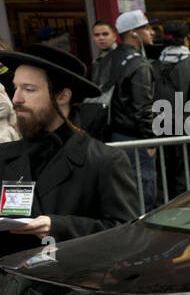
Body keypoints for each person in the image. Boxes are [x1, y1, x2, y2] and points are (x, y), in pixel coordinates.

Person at [0, 44, 137, 258]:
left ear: (63, 96)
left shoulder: (104, 161)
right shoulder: (5, 156)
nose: (16, 98)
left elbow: (127, 234)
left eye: (29, 89)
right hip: (12, 287)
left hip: (74, 286)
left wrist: (58, 226)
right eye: (15, 87)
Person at [107, 9, 159, 210]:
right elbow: (143, 106)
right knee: (144, 191)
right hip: (134, 138)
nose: (152, 32)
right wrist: (150, 138)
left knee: (126, 191)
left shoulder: (108, 59)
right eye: (146, 27)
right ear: (133, 33)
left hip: (113, 136)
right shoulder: (139, 64)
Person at [152, 21, 190, 200]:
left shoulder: (153, 65)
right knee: (185, 177)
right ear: (186, 40)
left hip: (160, 127)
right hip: (188, 129)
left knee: (164, 177)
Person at [90, 20, 118, 89]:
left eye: (105, 34)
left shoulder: (120, 56)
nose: (101, 38)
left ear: (114, 37)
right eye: (97, 35)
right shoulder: (99, 59)